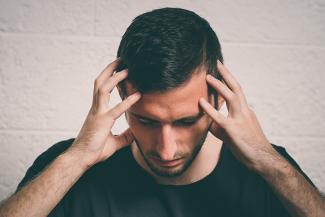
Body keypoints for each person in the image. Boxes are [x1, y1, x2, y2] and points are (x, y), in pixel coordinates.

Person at [0, 7, 324, 217]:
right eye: (146, 120)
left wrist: (270, 163)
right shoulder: (68, 168)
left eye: (185, 121)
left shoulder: (270, 173)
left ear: (219, 98)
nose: (166, 148)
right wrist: (76, 159)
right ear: (120, 97)